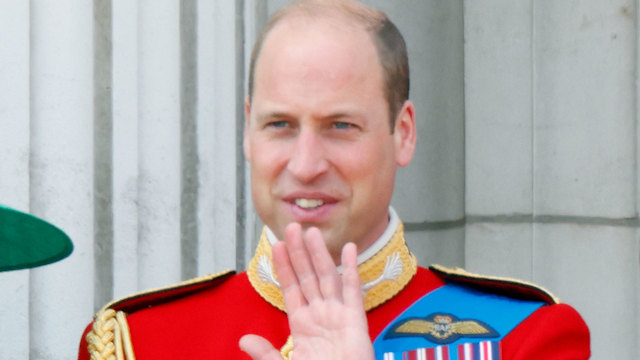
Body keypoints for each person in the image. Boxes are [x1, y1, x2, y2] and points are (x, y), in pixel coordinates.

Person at [78, 1, 590, 359]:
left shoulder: (521, 336)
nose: (305, 164)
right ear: (248, 132)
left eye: (340, 127)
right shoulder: (140, 342)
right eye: (280, 125)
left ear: (403, 134)